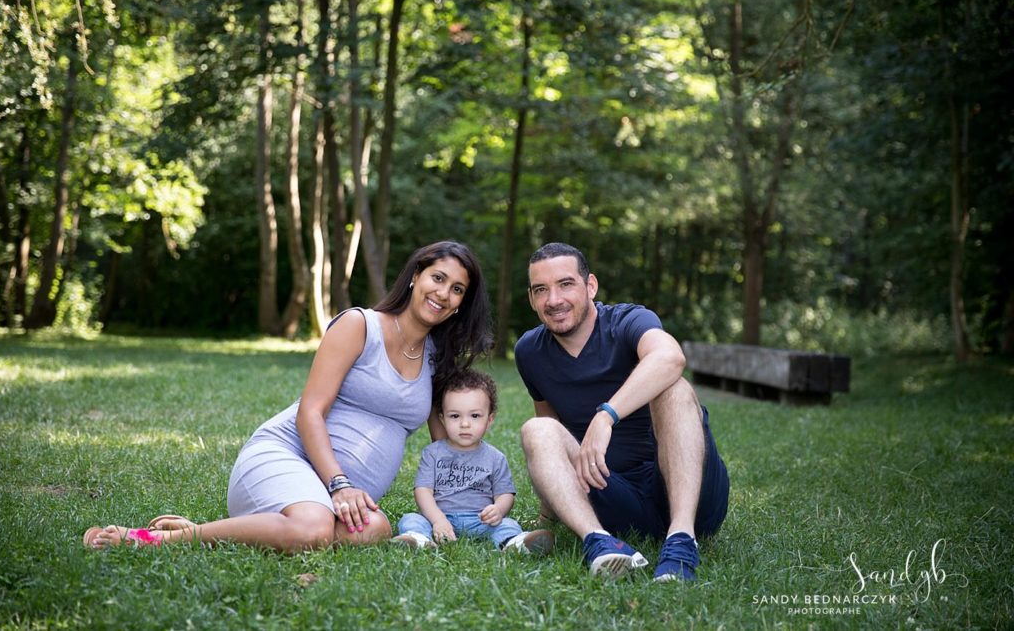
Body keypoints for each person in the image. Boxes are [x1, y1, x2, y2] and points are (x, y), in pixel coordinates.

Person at [83, 240, 493, 552]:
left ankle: (250, 529)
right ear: (416, 276)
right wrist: (339, 484)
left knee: (376, 528)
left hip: (338, 499)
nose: (443, 293)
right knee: (314, 529)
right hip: (288, 457)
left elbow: (447, 446)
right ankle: (162, 539)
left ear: (461, 304)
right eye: (438, 278)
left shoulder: (437, 359)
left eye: (457, 289)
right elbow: (310, 411)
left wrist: (476, 508)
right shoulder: (360, 325)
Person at [515, 242, 730, 581]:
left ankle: (681, 539)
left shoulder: (628, 321)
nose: (553, 300)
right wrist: (548, 515)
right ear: (531, 298)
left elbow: (670, 357)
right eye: (541, 289)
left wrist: (606, 416)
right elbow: (550, 432)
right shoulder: (530, 351)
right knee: (535, 429)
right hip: (613, 498)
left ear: (590, 286)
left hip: (692, 493)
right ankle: (599, 542)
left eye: (566, 284)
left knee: (673, 387)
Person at [392, 369, 554, 555]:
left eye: (475, 416)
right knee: (411, 519)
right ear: (442, 419)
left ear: (489, 419)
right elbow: (423, 491)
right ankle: (419, 539)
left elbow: (505, 494)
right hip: (439, 517)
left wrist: (498, 509)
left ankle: (515, 543)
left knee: (508, 524)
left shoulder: (495, 457)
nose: (465, 424)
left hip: (481, 521)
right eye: (455, 416)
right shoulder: (432, 453)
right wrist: (438, 520)